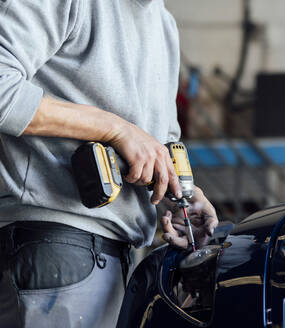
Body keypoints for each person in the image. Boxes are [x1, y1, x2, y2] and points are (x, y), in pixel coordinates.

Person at [0, 0, 218, 327]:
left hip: (118, 261)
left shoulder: (164, 24)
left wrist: (183, 197)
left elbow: (156, 143)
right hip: (53, 247)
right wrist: (115, 129)